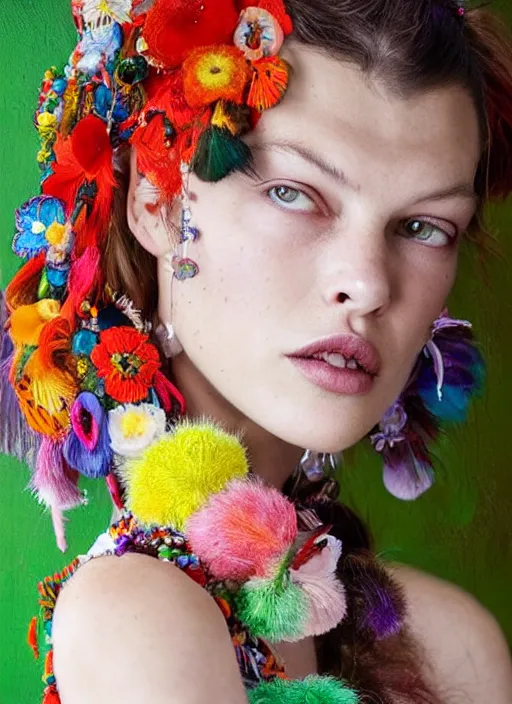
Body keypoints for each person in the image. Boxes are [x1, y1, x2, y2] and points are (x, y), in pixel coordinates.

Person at [1, 0, 512, 702]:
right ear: (159, 202)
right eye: (294, 193)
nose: (366, 285)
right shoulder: (138, 618)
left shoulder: (453, 648)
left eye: (423, 227)